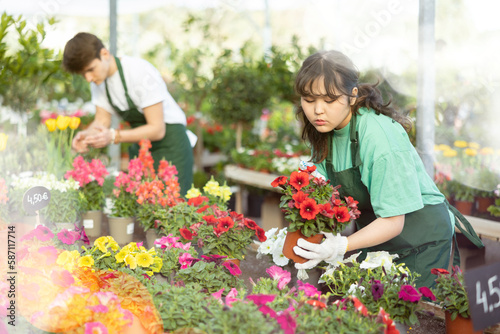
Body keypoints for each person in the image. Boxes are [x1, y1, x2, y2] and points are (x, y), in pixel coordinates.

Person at [291, 50, 483, 288]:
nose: (318, 110)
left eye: (329, 100)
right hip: (376, 238)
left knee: (415, 319)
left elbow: (393, 221)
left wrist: (340, 246)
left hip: (420, 241)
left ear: (352, 96)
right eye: (309, 100)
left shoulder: (379, 137)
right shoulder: (324, 131)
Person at [62, 32, 194, 196]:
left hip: (171, 144)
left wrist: (113, 136)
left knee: (172, 207)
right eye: (83, 74)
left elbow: (157, 129)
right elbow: (102, 120)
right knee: (145, 210)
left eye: (90, 69)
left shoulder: (139, 72)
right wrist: (86, 135)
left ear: (105, 54)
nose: (88, 78)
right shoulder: (98, 82)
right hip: (142, 146)